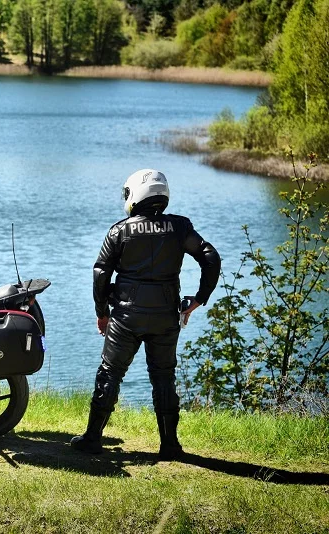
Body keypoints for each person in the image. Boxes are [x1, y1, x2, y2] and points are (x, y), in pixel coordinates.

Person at [70, 169, 220, 460]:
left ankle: (92, 439)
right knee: (164, 378)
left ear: (134, 195)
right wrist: (199, 299)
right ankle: (170, 446)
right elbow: (210, 257)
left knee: (110, 373)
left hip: (126, 318)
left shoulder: (120, 230)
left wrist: (102, 313)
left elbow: (101, 274)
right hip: (166, 316)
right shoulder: (180, 227)